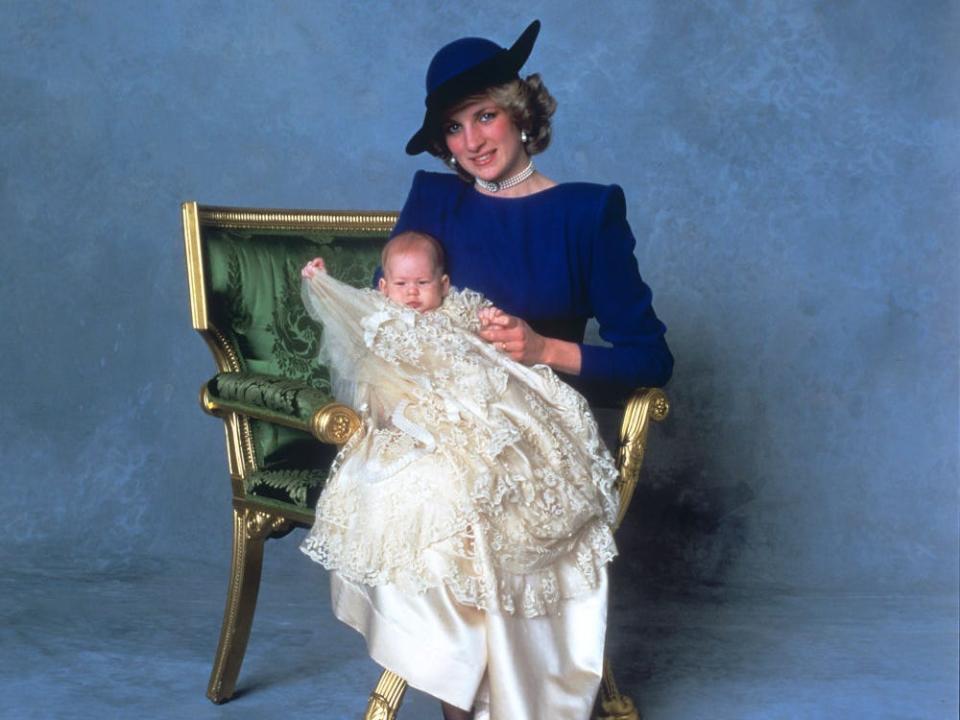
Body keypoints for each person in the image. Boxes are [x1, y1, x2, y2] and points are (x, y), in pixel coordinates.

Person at [299, 231, 621, 720]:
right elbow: (348, 311)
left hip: (479, 410)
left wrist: (492, 322)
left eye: (423, 283)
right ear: (383, 287)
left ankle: (510, 674)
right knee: (433, 493)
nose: (412, 293)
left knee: (513, 466)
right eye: (401, 283)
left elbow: (484, 326)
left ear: (443, 284)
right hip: (416, 416)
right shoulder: (384, 319)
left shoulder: (454, 310)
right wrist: (321, 282)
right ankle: (458, 674)